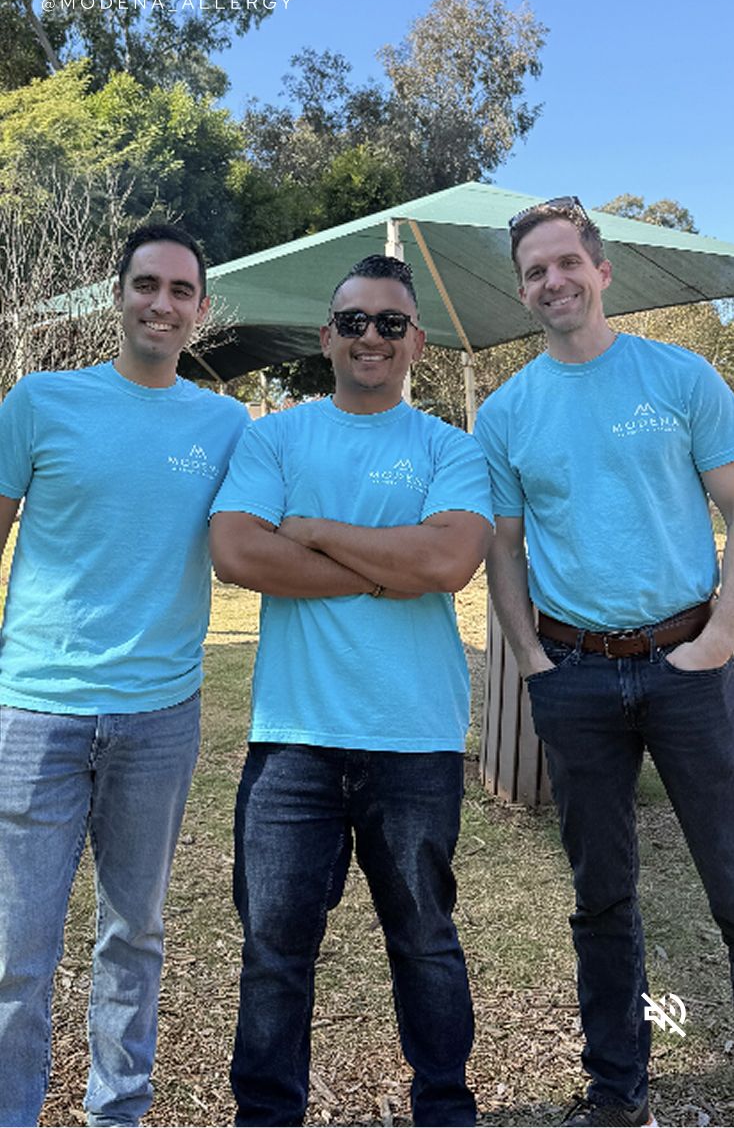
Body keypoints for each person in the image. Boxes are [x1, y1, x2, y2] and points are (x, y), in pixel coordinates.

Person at [209, 254, 493, 1127]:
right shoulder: (275, 437)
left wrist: (316, 533)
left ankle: (444, 1108)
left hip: (415, 737)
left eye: (392, 323)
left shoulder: (451, 446)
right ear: (328, 335)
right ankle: (267, 1115)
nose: (373, 336)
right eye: (356, 321)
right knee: (274, 951)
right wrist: (384, 565)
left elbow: (448, 560)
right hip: (293, 737)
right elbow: (237, 551)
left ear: (416, 342)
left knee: (425, 943)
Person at [474, 195, 734, 1128]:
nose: (553, 280)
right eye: (535, 270)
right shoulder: (506, 413)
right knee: (602, 895)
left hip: (691, 661)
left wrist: (722, 638)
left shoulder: (682, 377)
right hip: (575, 675)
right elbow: (503, 548)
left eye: (566, 262)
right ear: (524, 289)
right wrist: (533, 658)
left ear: (602, 270)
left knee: (731, 875)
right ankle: (618, 1091)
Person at [0, 223, 249, 1127]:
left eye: (181, 290)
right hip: (36, 712)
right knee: (15, 953)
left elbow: (252, 536)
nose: (162, 303)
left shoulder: (226, 424)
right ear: (118, 295)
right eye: (147, 284)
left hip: (159, 718)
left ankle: (119, 1112)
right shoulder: (37, 402)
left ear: (201, 311)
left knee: (133, 936)